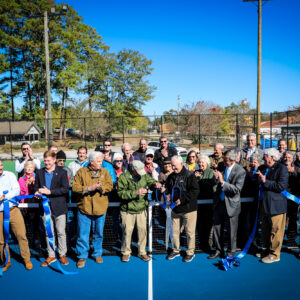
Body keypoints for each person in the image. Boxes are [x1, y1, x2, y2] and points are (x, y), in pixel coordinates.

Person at [72, 152, 113, 268]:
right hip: (84, 208)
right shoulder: (81, 172)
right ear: (91, 162)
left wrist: (101, 188)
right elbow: (75, 187)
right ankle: (81, 256)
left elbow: (110, 186)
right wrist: (88, 188)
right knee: (83, 234)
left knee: (98, 234)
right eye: (99, 161)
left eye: (101, 161)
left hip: (100, 208)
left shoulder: (105, 172)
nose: (101, 163)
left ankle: (97, 253)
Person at [117, 160, 161, 262]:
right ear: (133, 169)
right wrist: (136, 192)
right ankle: (126, 252)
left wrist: (155, 184)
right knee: (127, 232)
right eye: (138, 171)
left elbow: (150, 181)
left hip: (141, 209)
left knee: (142, 232)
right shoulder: (123, 177)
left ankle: (142, 252)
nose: (141, 173)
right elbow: (121, 193)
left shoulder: (144, 175)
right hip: (127, 210)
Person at [208, 149, 246, 259]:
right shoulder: (221, 166)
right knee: (217, 228)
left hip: (231, 205)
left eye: (226, 160)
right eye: (224, 160)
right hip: (219, 203)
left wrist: (223, 182)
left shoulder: (240, 171)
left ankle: (230, 253)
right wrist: (215, 179)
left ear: (233, 160)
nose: (224, 162)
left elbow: (237, 189)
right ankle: (219, 250)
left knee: (231, 231)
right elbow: (215, 181)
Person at [34, 151, 69, 267]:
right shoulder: (39, 172)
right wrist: (37, 192)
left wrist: (50, 192)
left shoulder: (63, 173)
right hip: (45, 208)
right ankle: (51, 255)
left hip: (59, 207)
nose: (46, 163)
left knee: (61, 232)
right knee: (49, 233)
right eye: (45, 160)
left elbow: (64, 189)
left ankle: (62, 254)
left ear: (54, 160)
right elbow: (36, 187)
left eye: (48, 160)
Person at [164, 156, 199, 262]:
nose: (172, 168)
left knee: (189, 232)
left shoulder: (190, 175)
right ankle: (175, 250)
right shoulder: (170, 177)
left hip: (189, 209)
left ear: (181, 164)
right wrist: (165, 192)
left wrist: (182, 199)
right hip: (175, 209)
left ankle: (190, 252)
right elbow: (168, 190)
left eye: (174, 166)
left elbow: (195, 191)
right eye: (171, 166)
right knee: (174, 232)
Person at [256, 148, 288, 263]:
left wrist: (265, 181)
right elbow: (255, 180)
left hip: (276, 206)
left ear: (272, 157)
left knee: (276, 231)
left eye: (265, 156)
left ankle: (274, 254)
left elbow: (281, 186)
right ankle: (266, 250)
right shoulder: (263, 168)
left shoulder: (282, 168)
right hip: (264, 205)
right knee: (265, 229)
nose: (263, 158)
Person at [0, 160, 33, 272]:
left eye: (1, 165)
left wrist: (4, 196)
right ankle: (6, 261)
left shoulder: (10, 175)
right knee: (1, 240)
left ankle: (27, 259)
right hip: (0, 213)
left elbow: (17, 190)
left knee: (21, 235)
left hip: (13, 210)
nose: (0, 167)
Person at [194, 155, 216, 252]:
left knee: (208, 225)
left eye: (203, 162)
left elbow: (210, 185)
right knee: (199, 224)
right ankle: (201, 243)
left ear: (207, 163)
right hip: (198, 203)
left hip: (208, 203)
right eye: (199, 162)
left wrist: (199, 180)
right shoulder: (196, 172)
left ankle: (209, 244)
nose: (201, 164)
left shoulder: (211, 172)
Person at [18, 161, 41, 251]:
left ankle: (36, 241)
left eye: (31, 167)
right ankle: (28, 242)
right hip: (25, 204)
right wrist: (26, 185)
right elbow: (21, 192)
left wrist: (33, 184)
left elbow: (38, 189)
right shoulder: (21, 179)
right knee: (26, 224)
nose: (29, 168)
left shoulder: (37, 177)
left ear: (34, 168)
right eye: (28, 167)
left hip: (35, 204)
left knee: (36, 224)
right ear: (25, 168)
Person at [283, 151, 300, 249]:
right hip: (281, 199)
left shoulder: (297, 169)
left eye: (289, 157)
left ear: (292, 159)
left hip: (293, 199)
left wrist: (292, 171)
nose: (287, 159)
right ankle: (279, 239)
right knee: (281, 220)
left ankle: (291, 240)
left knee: (293, 220)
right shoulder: (279, 167)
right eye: (285, 157)